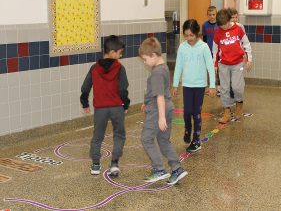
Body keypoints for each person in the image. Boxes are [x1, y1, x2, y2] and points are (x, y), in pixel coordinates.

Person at [139, 37, 188, 185]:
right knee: (163, 140)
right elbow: (158, 91)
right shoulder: (163, 67)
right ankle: (176, 168)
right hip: (166, 106)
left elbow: (159, 96)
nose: (144, 62)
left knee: (146, 138)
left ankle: (159, 169)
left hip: (158, 110)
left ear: (154, 55)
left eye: (145, 59)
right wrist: (146, 102)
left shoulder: (157, 73)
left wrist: (160, 117)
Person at [80, 35, 130, 177]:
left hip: (100, 109)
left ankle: (96, 164)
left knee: (97, 136)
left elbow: (85, 87)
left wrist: (85, 102)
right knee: (119, 135)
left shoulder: (94, 68)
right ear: (113, 52)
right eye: (120, 53)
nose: (120, 56)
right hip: (116, 107)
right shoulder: (120, 68)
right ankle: (114, 163)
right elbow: (122, 89)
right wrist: (125, 103)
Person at [173, 19, 216, 153]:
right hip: (187, 85)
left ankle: (196, 141)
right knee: (187, 112)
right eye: (186, 35)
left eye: (191, 35)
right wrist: (175, 85)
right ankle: (187, 130)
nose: (189, 38)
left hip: (199, 85)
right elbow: (178, 66)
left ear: (197, 33)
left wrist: (212, 85)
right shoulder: (182, 47)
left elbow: (210, 67)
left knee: (196, 113)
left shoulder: (203, 47)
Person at [212, 9, 252, 124]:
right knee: (224, 88)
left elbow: (247, 44)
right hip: (223, 64)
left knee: (237, 87)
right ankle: (227, 111)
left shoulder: (238, 28)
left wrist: (249, 59)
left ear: (229, 20)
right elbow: (215, 51)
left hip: (238, 63)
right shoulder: (218, 32)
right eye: (221, 26)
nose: (223, 28)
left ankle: (239, 103)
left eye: (225, 25)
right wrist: (214, 64)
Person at [202, 6, 221, 96]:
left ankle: (219, 88)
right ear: (207, 15)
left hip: (218, 50)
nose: (212, 16)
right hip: (208, 50)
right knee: (209, 68)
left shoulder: (220, 24)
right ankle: (210, 86)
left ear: (216, 14)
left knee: (218, 69)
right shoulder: (205, 25)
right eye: (210, 15)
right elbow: (204, 38)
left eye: (213, 14)